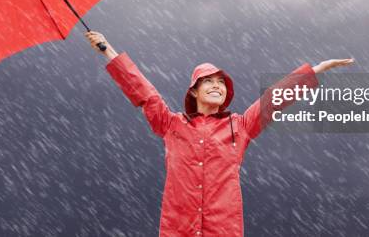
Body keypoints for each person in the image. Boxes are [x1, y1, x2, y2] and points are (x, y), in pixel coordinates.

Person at [85, 31, 353, 236]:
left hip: (223, 229)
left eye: (221, 83)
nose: (217, 86)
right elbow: (144, 92)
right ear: (194, 91)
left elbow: (274, 99)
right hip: (179, 229)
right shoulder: (171, 124)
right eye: (209, 82)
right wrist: (108, 50)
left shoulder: (240, 125)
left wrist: (316, 70)